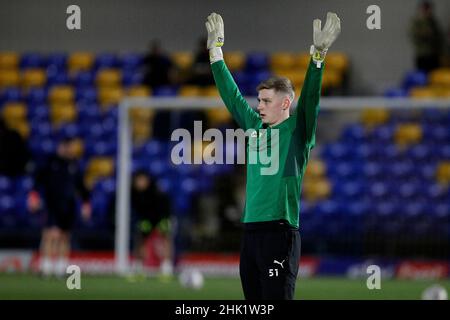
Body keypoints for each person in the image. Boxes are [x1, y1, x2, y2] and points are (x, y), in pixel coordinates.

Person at [205, 12, 340, 299]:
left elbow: (312, 100)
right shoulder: (254, 127)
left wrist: (318, 58)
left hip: (280, 233)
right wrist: (215, 52)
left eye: (267, 101)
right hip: (250, 233)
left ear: (286, 103)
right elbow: (231, 96)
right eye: (260, 100)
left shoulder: (297, 131)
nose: (260, 106)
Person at [28, 137, 91, 277]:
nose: (67, 149)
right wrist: (33, 197)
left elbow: (82, 187)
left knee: (64, 236)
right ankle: (46, 266)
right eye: (65, 146)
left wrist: (86, 204)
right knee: (49, 235)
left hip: (68, 206)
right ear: (60, 147)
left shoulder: (74, 165)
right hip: (51, 204)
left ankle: (61, 267)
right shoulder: (50, 162)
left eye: (69, 147)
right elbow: (37, 182)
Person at [410, 1, 444, 73]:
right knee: (422, 76)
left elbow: (439, 38)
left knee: (434, 75)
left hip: (433, 54)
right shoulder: (417, 22)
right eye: (425, 9)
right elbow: (414, 35)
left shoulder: (433, 22)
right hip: (422, 54)